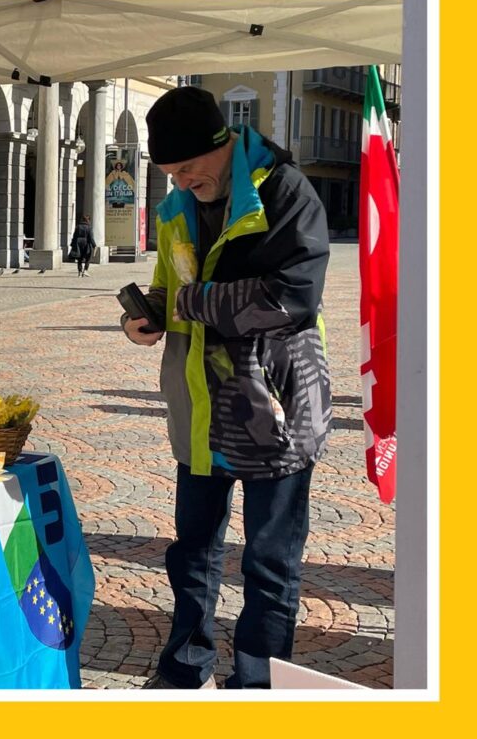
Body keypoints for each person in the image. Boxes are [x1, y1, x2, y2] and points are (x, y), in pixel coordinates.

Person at [124, 86, 331, 690]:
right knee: (192, 552)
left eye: (189, 168)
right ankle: (186, 667)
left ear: (224, 143)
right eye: (170, 173)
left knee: (269, 562)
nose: (183, 182)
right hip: (199, 410)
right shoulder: (174, 208)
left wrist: (187, 303)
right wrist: (146, 315)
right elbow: (170, 283)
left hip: (276, 411)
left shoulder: (286, 191)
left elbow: (290, 297)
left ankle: (256, 685)